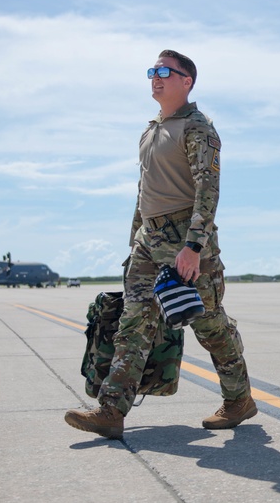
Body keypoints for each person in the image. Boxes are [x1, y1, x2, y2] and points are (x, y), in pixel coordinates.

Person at [65, 49, 256, 438]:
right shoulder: (151, 129)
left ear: (187, 81)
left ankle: (239, 400)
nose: (156, 77)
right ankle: (111, 411)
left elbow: (208, 189)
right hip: (148, 242)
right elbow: (144, 191)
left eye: (166, 72)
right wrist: (134, 239)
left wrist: (194, 247)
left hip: (185, 239)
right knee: (133, 323)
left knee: (209, 324)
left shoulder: (197, 127)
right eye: (152, 71)